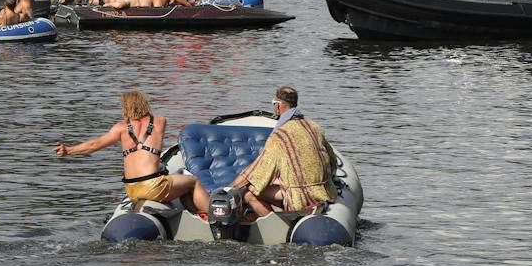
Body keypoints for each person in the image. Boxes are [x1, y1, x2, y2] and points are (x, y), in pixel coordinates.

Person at [53, 91, 202, 216]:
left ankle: (193, 212)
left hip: (132, 190)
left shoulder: (120, 128)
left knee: (177, 183)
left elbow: (93, 145)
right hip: (153, 187)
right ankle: (208, 215)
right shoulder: (160, 121)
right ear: (144, 104)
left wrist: (68, 150)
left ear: (126, 107)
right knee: (194, 181)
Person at [210, 87, 339, 219]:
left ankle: (277, 223)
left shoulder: (279, 136)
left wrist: (229, 188)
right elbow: (333, 161)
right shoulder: (315, 127)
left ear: (277, 106)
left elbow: (254, 173)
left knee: (248, 193)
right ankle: (279, 211)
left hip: (299, 196)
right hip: (324, 190)